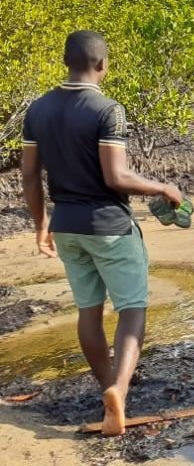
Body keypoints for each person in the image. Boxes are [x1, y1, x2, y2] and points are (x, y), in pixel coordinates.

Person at [21, 30, 184, 436]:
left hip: (67, 227)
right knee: (132, 310)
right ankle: (118, 391)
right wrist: (163, 188)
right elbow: (116, 177)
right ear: (103, 65)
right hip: (109, 226)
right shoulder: (108, 109)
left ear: (65, 62)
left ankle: (107, 389)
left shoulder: (36, 110)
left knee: (88, 313)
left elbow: (28, 176)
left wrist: (41, 225)